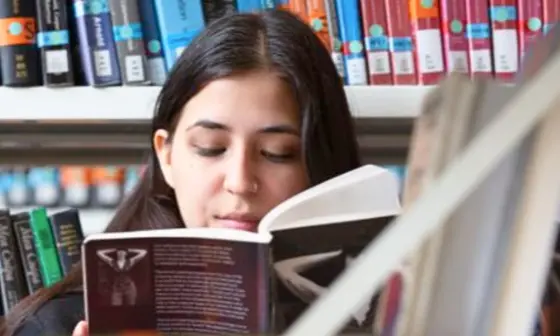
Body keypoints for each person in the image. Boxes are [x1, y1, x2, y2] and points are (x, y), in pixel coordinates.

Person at [1, 9, 362, 336]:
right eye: (210, 148)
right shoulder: (56, 327)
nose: (239, 182)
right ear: (166, 157)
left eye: (277, 153)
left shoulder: (382, 310)